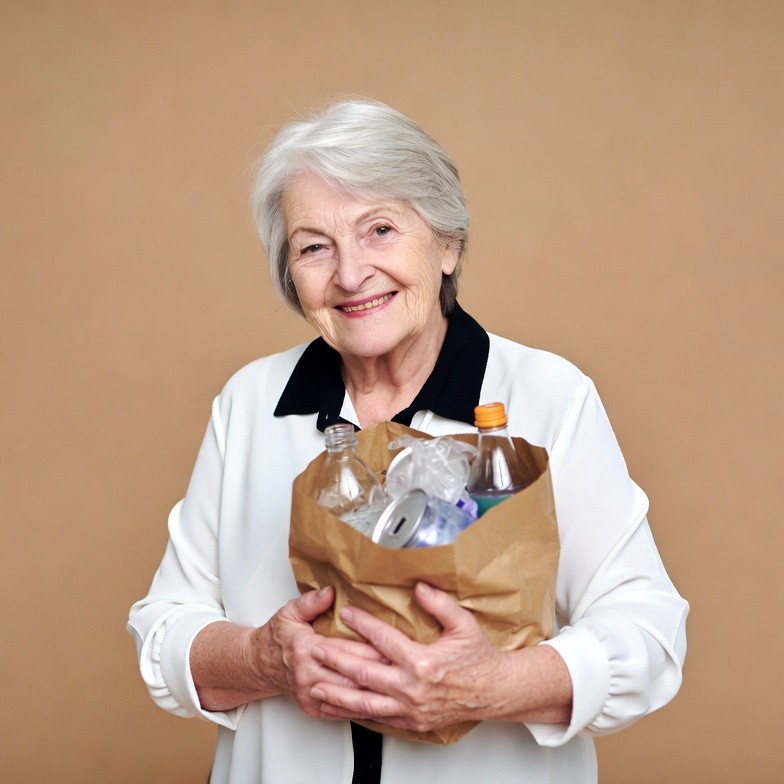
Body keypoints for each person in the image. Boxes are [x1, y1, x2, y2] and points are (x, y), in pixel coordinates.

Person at [128, 98, 688, 784]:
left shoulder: (548, 396)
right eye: (313, 247)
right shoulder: (249, 403)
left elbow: (651, 633)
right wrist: (261, 660)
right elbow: (164, 629)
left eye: (380, 230)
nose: (350, 274)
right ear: (290, 274)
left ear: (447, 244)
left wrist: (493, 685)